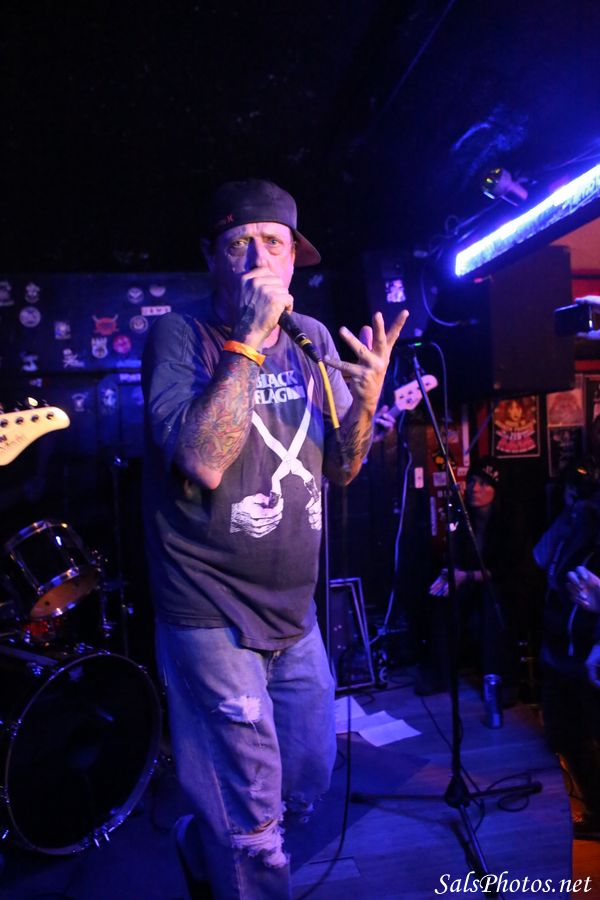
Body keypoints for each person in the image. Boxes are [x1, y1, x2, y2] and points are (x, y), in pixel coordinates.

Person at [141, 178, 407, 899]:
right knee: (255, 827)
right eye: (239, 244)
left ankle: (203, 841)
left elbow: (345, 468)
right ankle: (233, 855)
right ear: (212, 257)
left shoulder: (312, 337)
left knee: (308, 778)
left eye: (274, 243)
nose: (259, 259)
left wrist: (368, 402)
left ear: (294, 259)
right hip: (209, 612)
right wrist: (249, 341)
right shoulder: (180, 337)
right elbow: (202, 459)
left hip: (293, 612)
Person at [419, 456, 525, 702]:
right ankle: (439, 674)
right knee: (442, 600)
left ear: (496, 489)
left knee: (491, 602)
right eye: (473, 481)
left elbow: (507, 569)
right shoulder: (464, 517)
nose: (475, 489)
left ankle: (500, 682)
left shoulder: (510, 520)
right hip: (471, 580)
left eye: (484, 483)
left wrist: (466, 576)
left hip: (505, 586)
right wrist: (449, 574)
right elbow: (458, 557)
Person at [533, 469, 600, 837]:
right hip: (561, 651)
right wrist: (569, 512)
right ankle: (596, 810)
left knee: (586, 733)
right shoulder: (577, 525)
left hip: (588, 654)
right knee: (563, 735)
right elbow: (541, 558)